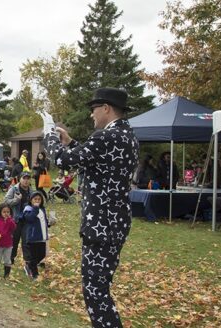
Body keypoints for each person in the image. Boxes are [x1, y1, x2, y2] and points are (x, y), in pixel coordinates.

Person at [41, 87, 139, 327]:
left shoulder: (105, 137)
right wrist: (72, 141)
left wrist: (50, 135)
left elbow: (63, 160)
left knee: (95, 292)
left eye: (93, 109)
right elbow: (97, 163)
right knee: (101, 287)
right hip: (117, 223)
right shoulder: (127, 136)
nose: (91, 115)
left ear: (106, 108)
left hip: (100, 226)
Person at [18, 192, 49, 280]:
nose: (37, 201)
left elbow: (43, 221)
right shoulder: (28, 209)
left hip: (42, 237)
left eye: (39, 199)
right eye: (35, 199)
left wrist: (49, 223)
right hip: (33, 237)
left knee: (42, 254)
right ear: (31, 200)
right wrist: (35, 208)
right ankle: (35, 274)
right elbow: (30, 219)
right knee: (34, 256)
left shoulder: (42, 209)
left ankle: (29, 265)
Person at [5, 171, 33, 266]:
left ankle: (28, 262)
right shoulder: (14, 189)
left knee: (26, 241)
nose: (26, 180)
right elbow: (6, 201)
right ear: (20, 179)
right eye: (24, 178)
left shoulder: (31, 190)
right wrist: (17, 200)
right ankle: (11, 259)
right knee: (14, 241)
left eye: (28, 178)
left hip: (27, 221)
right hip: (15, 220)